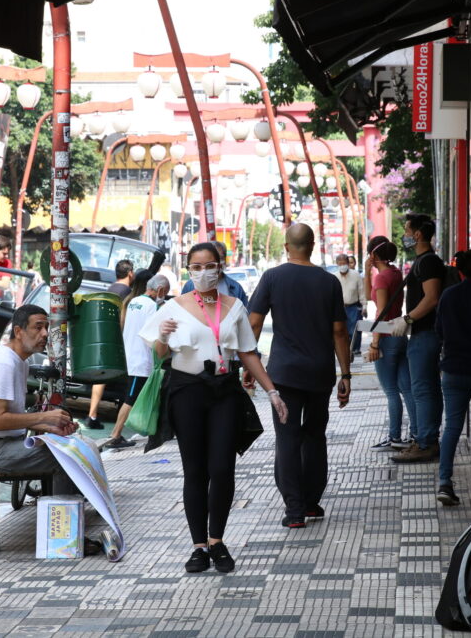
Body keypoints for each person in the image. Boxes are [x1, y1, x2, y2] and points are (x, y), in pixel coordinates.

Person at [140, 242, 288, 573]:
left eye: (210, 266)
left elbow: (247, 353)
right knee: (196, 470)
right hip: (187, 391)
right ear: (188, 270)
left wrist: (273, 392)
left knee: (222, 468)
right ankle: (197, 547)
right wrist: (163, 336)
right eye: (196, 267)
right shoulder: (172, 307)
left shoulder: (234, 306)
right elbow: (161, 354)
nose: (203, 272)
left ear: (220, 268)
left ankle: (217, 541)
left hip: (224, 390)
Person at [248, 224, 352, 528]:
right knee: (316, 436)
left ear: (286, 246)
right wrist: (345, 374)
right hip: (320, 374)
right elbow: (339, 331)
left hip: (283, 376)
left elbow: (254, 323)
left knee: (288, 438)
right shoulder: (329, 281)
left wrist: (249, 365)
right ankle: (311, 502)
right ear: (313, 245)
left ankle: (294, 511)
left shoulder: (271, 277)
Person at [0, 304, 79, 497]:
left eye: (46, 327)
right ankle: (63, 518)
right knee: (64, 456)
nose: (45, 334)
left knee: (71, 446)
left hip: (9, 444)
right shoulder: (3, 363)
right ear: (18, 331)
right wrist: (44, 417)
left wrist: (50, 428)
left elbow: (15, 417)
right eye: (38, 327)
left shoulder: (21, 362)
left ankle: (72, 508)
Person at [434, 248, 471, 506]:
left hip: (453, 370)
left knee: (452, 427)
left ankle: (445, 483)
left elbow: (439, 331)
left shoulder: (448, 296)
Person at [390, 214, 446, 464]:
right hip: (422, 334)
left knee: (423, 390)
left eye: (407, 230)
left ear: (418, 235)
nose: (405, 235)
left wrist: (408, 319)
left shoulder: (428, 262)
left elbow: (431, 297)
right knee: (426, 389)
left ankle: (425, 442)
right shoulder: (424, 261)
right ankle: (426, 439)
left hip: (426, 333)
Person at [103, 272, 170, 450]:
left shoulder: (133, 302)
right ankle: (115, 434)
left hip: (131, 356)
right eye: (165, 292)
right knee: (130, 399)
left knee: (133, 396)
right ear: (160, 289)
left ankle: (147, 431)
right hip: (143, 360)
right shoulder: (152, 307)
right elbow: (155, 334)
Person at [365, 236, 418, 450]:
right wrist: (369, 271)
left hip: (386, 338)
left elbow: (381, 312)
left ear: (373, 254)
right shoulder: (395, 274)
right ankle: (416, 433)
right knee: (406, 388)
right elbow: (370, 297)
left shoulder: (382, 279)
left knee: (390, 391)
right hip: (400, 335)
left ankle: (394, 437)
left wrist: (374, 343)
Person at [86, 259, 136, 429]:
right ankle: (122, 423)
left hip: (104, 336)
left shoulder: (111, 289)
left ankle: (92, 414)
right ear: (130, 273)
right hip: (118, 339)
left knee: (101, 377)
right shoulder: (128, 292)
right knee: (126, 380)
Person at [181, 240, 248, 308]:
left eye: (220, 258)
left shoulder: (236, 288)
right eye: (197, 267)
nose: (204, 270)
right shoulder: (189, 286)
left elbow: (244, 313)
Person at [334, 253, 364, 361]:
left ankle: (353, 350)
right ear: (337, 264)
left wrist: (364, 305)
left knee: (354, 330)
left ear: (348, 263)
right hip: (339, 307)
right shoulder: (334, 276)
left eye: (344, 263)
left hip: (353, 307)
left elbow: (361, 291)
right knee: (341, 330)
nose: (342, 265)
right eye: (340, 263)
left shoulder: (356, 275)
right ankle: (345, 350)